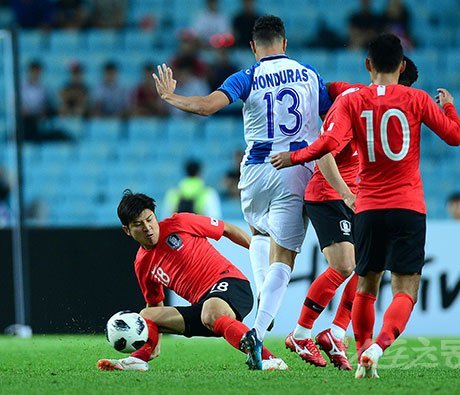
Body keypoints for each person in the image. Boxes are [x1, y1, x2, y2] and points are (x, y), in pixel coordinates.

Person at [271, 34, 460, 378]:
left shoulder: (354, 101)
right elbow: (454, 136)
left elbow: (327, 138)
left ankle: (347, 340)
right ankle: (357, 343)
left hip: (369, 204)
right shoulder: (413, 100)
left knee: (364, 282)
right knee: (391, 284)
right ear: (401, 66)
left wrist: (293, 156)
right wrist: (448, 105)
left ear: (368, 64)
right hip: (392, 202)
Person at [152, 15, 332, 369]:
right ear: (285, 43)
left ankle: (263, 307)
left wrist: (171, 96)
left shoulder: (246, 76)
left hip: (253, 171)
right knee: (285, 257)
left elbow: (205, 107)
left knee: (259, 234)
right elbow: (333, 119)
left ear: (253, 47)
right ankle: (260, 327)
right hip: (294, 168)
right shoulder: (309, 74)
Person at [285, 56, 419, 371]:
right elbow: (323, 153)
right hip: (329, 194)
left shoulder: (382, 115)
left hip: (358, 198)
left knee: (369, 266)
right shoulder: (356, 107)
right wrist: (346, 192)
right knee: (345, 265)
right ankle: (301, 334)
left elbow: (331, 88)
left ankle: (334, 332)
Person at [97, 191, 287, 372]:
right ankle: (139, 360)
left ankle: (271, 359)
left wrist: (264, 258)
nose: (147, 228)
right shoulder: (142, 264)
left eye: (149, 220)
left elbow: (228, 229)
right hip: (204, 308)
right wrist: (151, 344)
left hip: (232, 284)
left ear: (155, 216)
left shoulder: (180, 222)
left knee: (210, 311)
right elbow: (155, 303)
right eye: (138, 224)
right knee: (146, 314)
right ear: (127, 230)